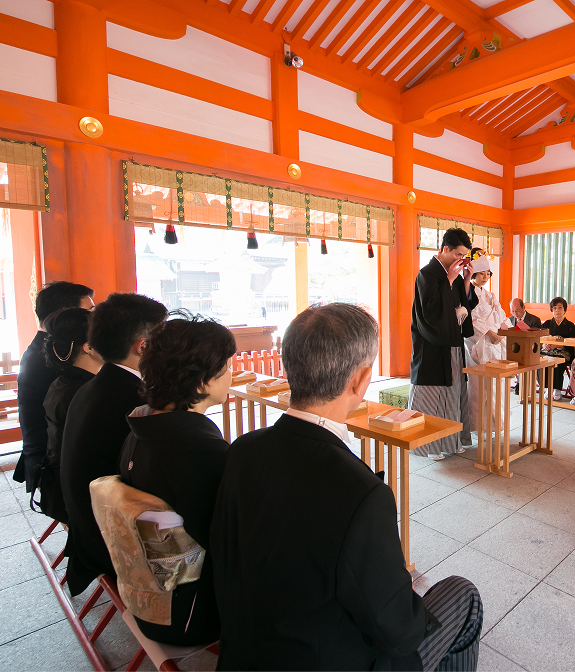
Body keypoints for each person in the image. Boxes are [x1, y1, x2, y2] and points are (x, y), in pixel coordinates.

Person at [211, 303, 483, 671]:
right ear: (360, 381)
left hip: (244, 654)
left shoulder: (242, 450)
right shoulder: (361, 493)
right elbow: (398, 633)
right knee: (463, 596)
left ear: (286, 366)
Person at [117, 312, 234, 645]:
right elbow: (229, 542)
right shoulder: (199, 452)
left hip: (147, 597)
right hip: (190, 612)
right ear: (201, 382)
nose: (231, 376)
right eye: (225, 368)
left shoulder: (140, 431)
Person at [60, 293, 168, 597]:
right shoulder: (134, 404)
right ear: (143, 346)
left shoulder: (91, 385)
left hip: (84, 528)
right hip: (109, 545)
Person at [13, 281, 94, 492]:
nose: (94, 320)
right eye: (89, 312)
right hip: (49, 464)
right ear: (66, 315)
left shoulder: (47, 346)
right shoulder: (53, 357)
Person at [408, 228, 479, 460]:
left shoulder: (455, 274)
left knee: (454, 392)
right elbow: (429, 313)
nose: (461, 260)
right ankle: (427, 447)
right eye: (458, 254)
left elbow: (464, 305)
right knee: (432, 395)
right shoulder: (427, 274)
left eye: (464, 256)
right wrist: (448, 281)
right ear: (445, 249)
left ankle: (451, 441)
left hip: (452, 343)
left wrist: (466, 281)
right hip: (432, 346)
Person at [33, 308, 104, 523]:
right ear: (89, 347)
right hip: (75, 498)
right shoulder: (86, 393)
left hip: (59, 485)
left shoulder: (63, 382)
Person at [464, 252, 506, 437]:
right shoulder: (468, 292)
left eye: (488, 274)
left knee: (496, 386)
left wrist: (502, 333)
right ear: (474, 274)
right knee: (480, 386)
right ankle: (478, 426)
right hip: (479, 342)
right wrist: (488, 332)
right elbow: (470, 319)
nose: (485, 277)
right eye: (482, 273)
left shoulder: (490, 295)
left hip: (495, 343)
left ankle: (494, 424)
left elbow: (502, 317)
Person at [540, 297, 575, 400]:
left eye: (560, 308)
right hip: (547, 351)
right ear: (551, 309)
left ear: (565, 310)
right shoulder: (547, 324)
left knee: (556, 360)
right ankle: (547, 388)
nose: (557, 310)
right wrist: (544, 345)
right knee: (542, 359)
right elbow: (539, 338)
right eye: (555, 308)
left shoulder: (570, 325)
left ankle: (557, 389)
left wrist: (559, 345)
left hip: (564, 351)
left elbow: (574, 340)